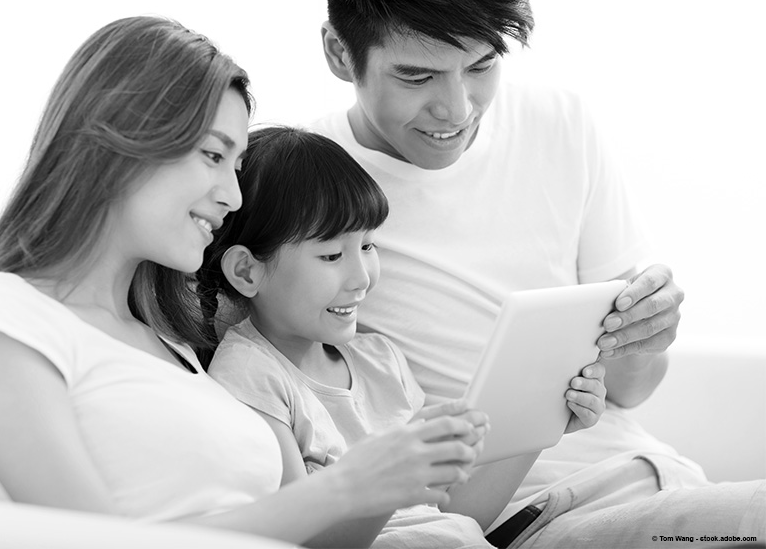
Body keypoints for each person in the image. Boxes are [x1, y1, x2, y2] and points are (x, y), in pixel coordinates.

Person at [0, 15, 489, 547]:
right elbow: (89, 542)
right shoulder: (6, 319)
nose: (234, 196)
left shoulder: (167, 335)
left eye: (236, 166)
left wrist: (393, 479)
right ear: (120, 143)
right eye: (213, 156)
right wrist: (346, 486)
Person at [308, 0, 764, 548]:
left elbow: (631, 390)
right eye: (416, 75)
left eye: (481, 66)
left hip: (662, 476)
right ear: (338, 53)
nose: (455, 108)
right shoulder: (303, 193)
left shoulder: (557, 121)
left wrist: (645, 336)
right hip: (528, 515)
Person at [195, 125, 609, 548]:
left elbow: (452, 516)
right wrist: (390, 479)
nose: (361, 278)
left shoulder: (381, 360)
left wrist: (542, 419)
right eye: (332, 255)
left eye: (369, 246)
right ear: (247, 271)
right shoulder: (252, 376)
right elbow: (301, 541)